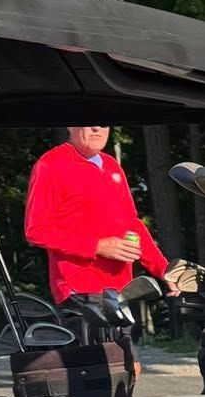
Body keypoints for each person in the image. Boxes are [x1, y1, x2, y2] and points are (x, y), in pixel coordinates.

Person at [24, 125, 173, 304]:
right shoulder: (50, 164)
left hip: (123, 292)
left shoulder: (112, 165)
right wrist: (97, 247)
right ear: (70, 126)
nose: (97, 128)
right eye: (89, 122)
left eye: (103, 124)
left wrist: (163, 269)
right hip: (80, 291)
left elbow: (132, 224)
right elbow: (36, 231)